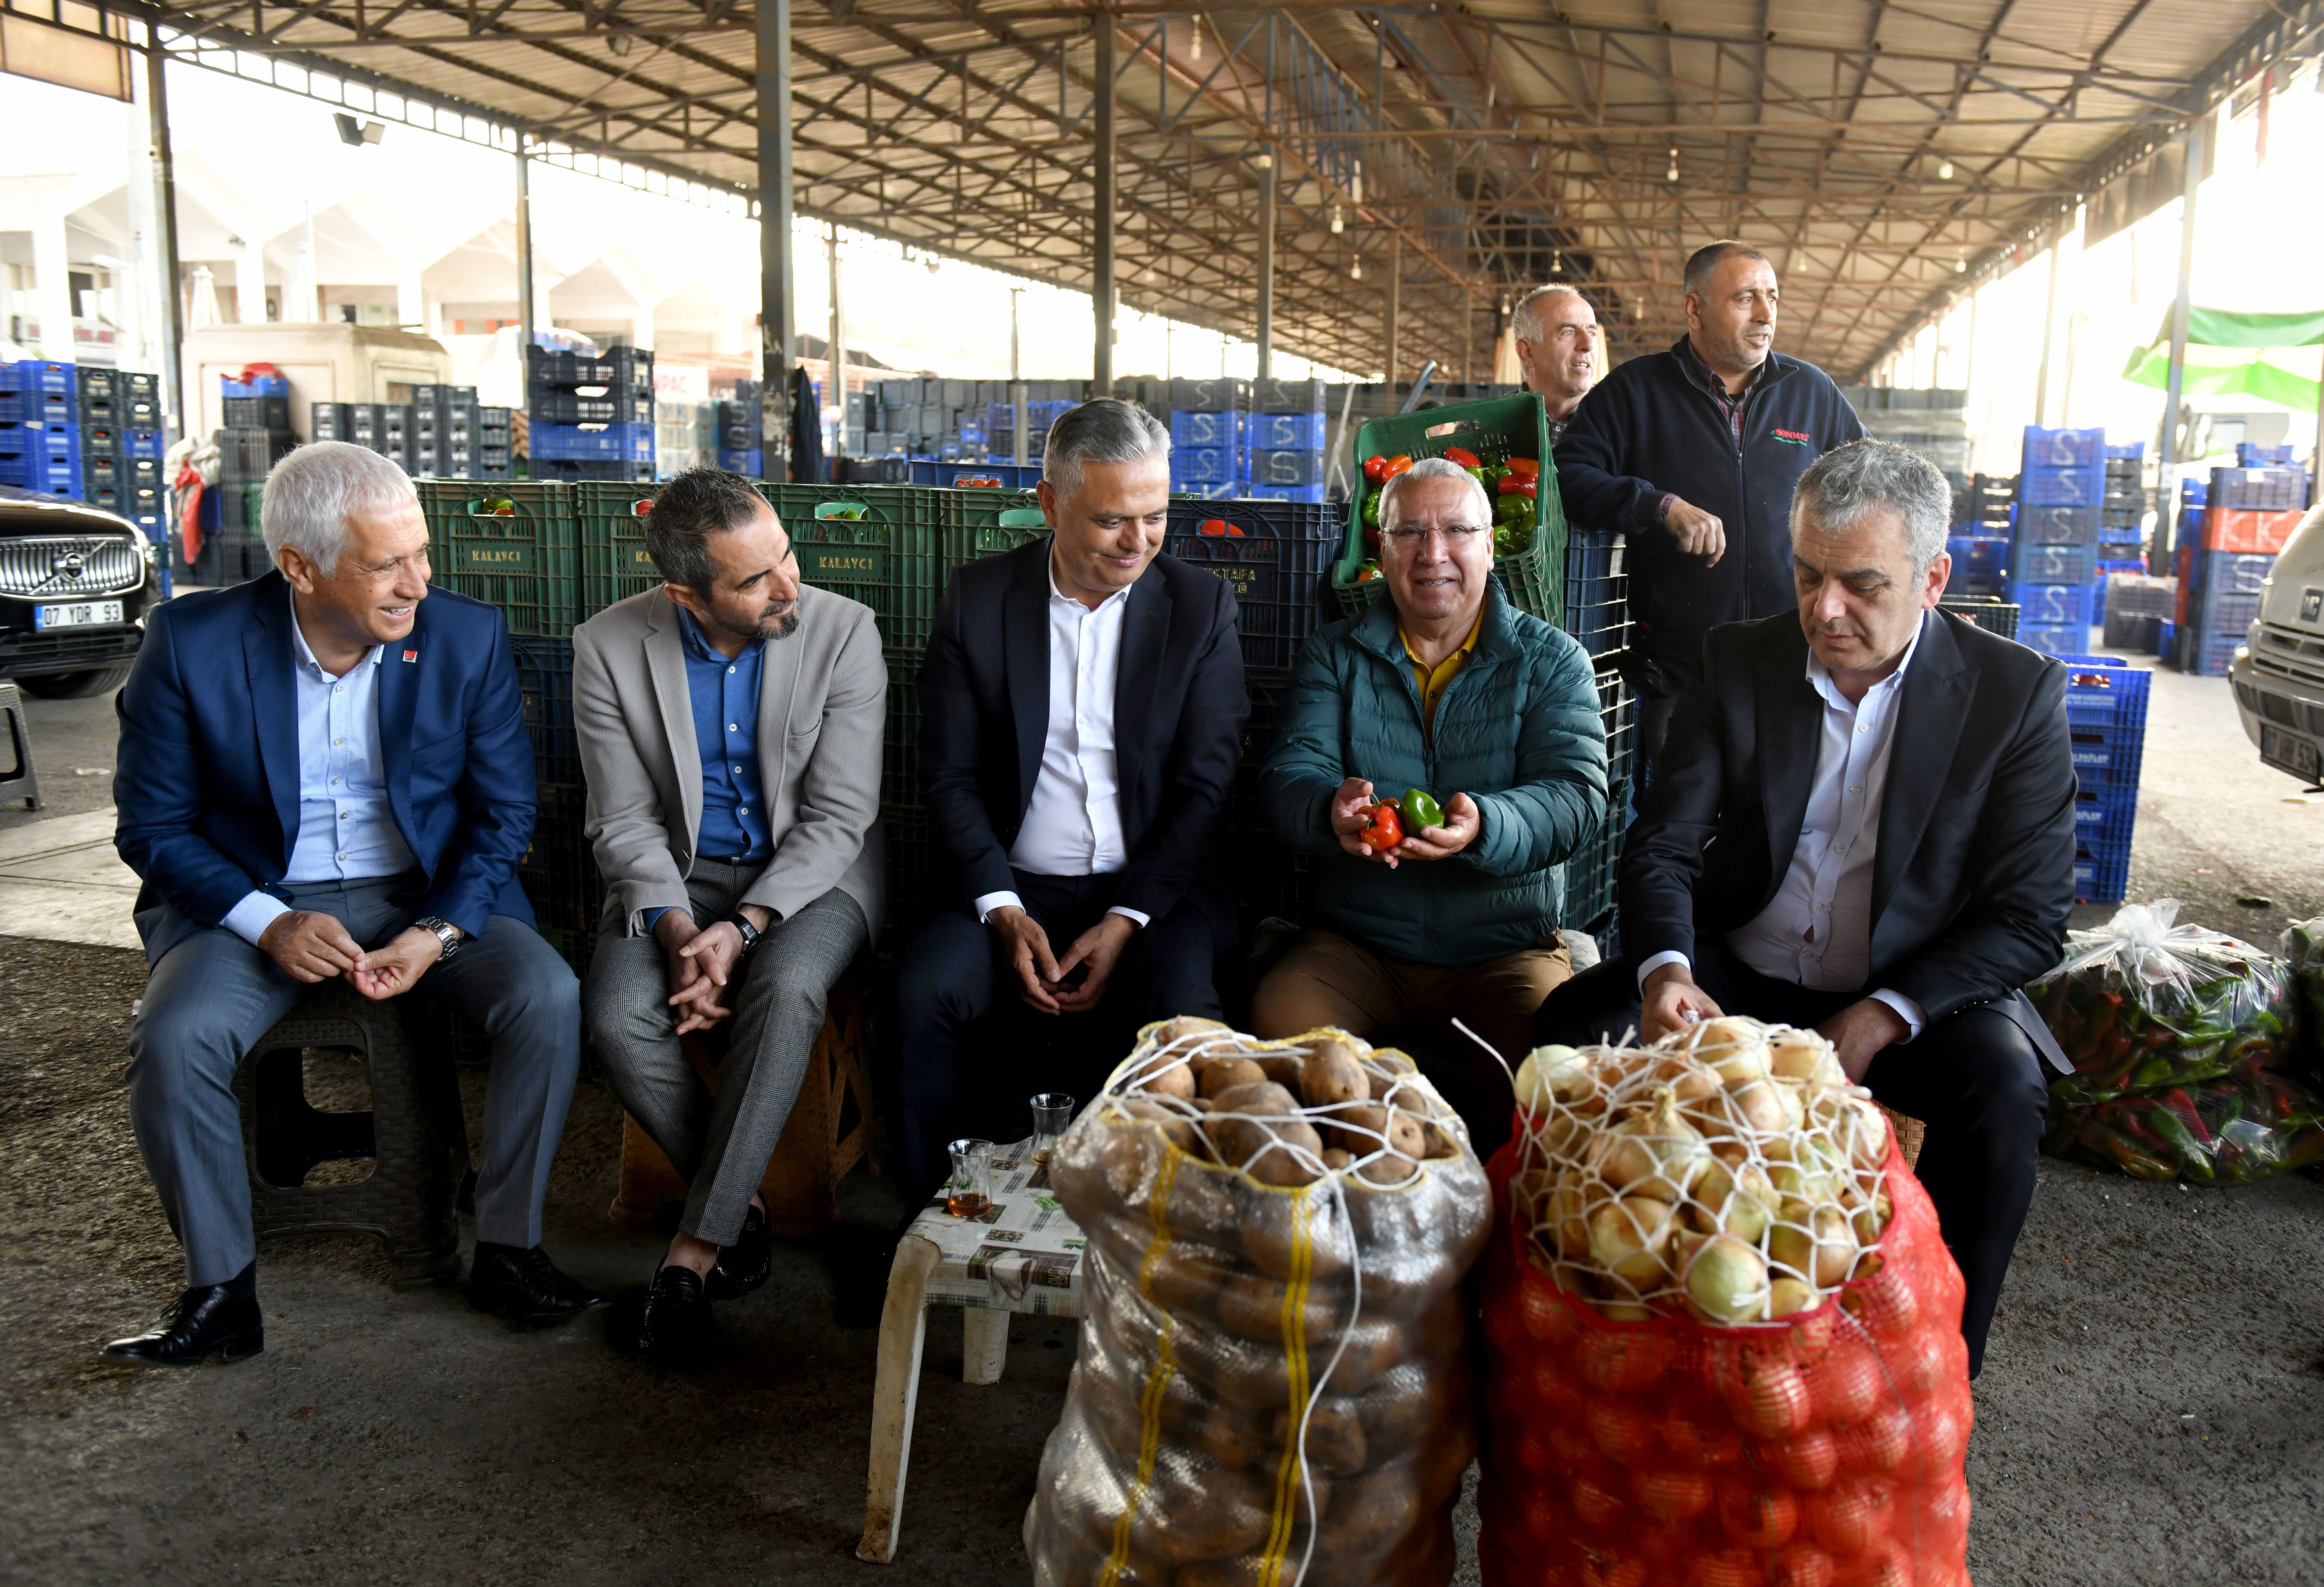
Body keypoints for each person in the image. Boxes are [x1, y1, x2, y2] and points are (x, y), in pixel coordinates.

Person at [1533, 439, 2075, 1377]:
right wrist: (1667, 970)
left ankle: (1935, 1360)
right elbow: (1662, 843)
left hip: (1902, 984)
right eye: (1807, 575)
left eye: (1861, 584)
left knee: (2004, 1091)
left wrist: (1876, 1018)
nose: (1825, 609)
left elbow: (2029, 917)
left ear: (1932, 578)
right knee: (1575, 1022)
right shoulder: (1738, 660)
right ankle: (1572, 1324)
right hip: (1740, 967)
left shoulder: (2010, 694)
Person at [108, 441, 598, 1366]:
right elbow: (155, 829)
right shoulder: (190, 644)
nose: (418, 582)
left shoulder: (463, 635)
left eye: (420, 553)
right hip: (254, 897)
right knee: (174, 1040)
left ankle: (507, 1247)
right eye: (386, 563)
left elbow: (503, 816)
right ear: (299, 566)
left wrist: (437, 930)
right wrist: (268, 920)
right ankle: (222, 1293)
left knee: (549, 996)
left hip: (424, 891)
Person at [892, 399, 1246, 1200]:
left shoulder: (1199, 609)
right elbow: (947, 778)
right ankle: (932, 1219)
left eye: (1156, 517)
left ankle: (1181, 1236)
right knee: (925, 993)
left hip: (1154, 888)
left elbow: (1205, 789)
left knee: (1185, 1009)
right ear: (1052, 504)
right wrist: (1002, 908)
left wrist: (1126, 923)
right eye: (1113, 521)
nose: (1139, 542)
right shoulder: (979, 601)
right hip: (1009, 883)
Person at [574, 468, 885, 1360]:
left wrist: (741, 930)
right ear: (684, 593)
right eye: (753, 580)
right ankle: (741, 1200)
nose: (788, 586)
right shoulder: (608, 645)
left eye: (784, 556)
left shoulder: (842, 632)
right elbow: (623, 820)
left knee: (786, 988)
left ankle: (697, 1248)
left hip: (816, 875)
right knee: (617, 1012)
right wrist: (678, 930)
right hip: (675, 872)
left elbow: (837, 817)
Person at [1250, 457, 1608, 1157]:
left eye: (1456, 530)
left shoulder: (1552, 662)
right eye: (1409, 532)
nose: (1433, 553)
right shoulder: (1334, 656)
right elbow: (1290, 772)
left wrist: (1489, 825)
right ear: (1380, 550)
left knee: (1548, 1081)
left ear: (1490, 544)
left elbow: (1578, 795)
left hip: (1502, 947)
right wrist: (1329, 806)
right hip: (1356, 946)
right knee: (1282, 1029)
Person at [1555, 239, 1865, 779]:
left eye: (1772, 297)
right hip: (1682, 675)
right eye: (1746, 298)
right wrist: (1658, 505)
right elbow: (1568, 475)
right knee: (1676, 832)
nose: (1767, 315)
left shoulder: (1813, 394)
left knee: (1786, 834)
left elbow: (1871, 491)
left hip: (1800, 669)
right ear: (1694, 309)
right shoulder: (1637, 392)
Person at [1509, 283, 1601, 442]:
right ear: (1527, 352)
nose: (1588, 345)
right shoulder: (1480, 427)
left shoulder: (1625, 424)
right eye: (1568, 332)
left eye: (1592, 333)